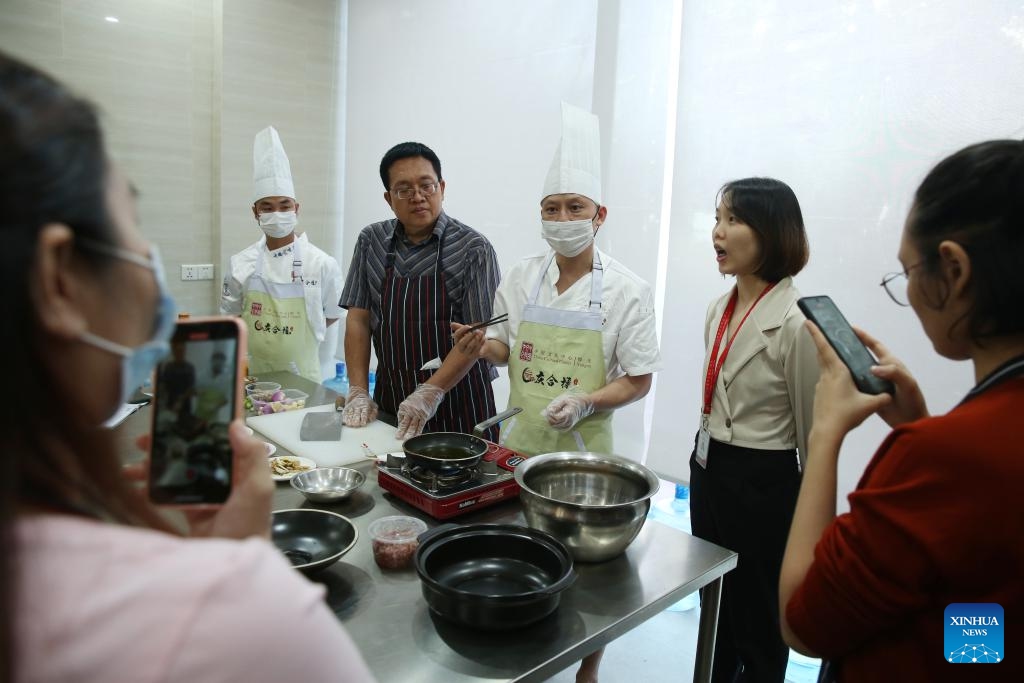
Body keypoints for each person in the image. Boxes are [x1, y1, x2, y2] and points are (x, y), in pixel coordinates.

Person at [0, 52, 374, 682]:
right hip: (256, 402)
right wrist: (239, 574)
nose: (149, 261)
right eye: (132, 227)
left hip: (305, 390)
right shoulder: (233, 619)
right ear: (58, 278)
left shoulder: (324, 263)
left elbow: (335, 330)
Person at [780, 140, 1024, 681]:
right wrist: (923, 426)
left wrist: (825, 432)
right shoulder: (966, 445)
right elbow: (987, 594)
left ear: (955, 271)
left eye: (907, 270)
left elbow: (803, 623)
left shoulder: (942, 457)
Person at [451, 102, 661, 683]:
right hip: (518, 442)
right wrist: (477, 348)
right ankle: (528, 657)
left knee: (586, 573)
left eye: (575, 207)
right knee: (525, 562)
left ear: (600, 215)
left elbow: (639, 379)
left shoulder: (628, 291)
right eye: (552, 208)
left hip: (583, 458)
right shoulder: (520, 276)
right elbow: (508, 348)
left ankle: (587, 667)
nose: (563, 217)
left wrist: (589, 400)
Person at [688, 177, 819, 682]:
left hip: (764, 481)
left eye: (733, 220)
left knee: (759, 616)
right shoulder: (717, 309)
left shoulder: (796, 321)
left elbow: (812, 436)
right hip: (709, 467)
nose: (718, 232)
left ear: (772, 232)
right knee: (714, 603)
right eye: (717, 218)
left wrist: (809, 524)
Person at [339, 142, 501, 439]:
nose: (417, 197)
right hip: (393, 399)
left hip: (461, 403)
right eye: (403, 190)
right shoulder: (370, 241)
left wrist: (431, 392)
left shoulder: (473, 248)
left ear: (441, 187)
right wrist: (358, 390)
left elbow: (476, 336)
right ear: (389, 198)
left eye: (426, 186)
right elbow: (359, 320)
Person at [220, 125, 343, 383]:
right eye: (267, 207)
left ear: (296, 209)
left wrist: (295, 342)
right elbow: (230, 318)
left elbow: (333, 313)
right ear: (255, 212)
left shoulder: (321, 263)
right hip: (253, 378)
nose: (277, 213)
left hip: (305, 379)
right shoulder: (241, 263)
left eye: (284, 206)